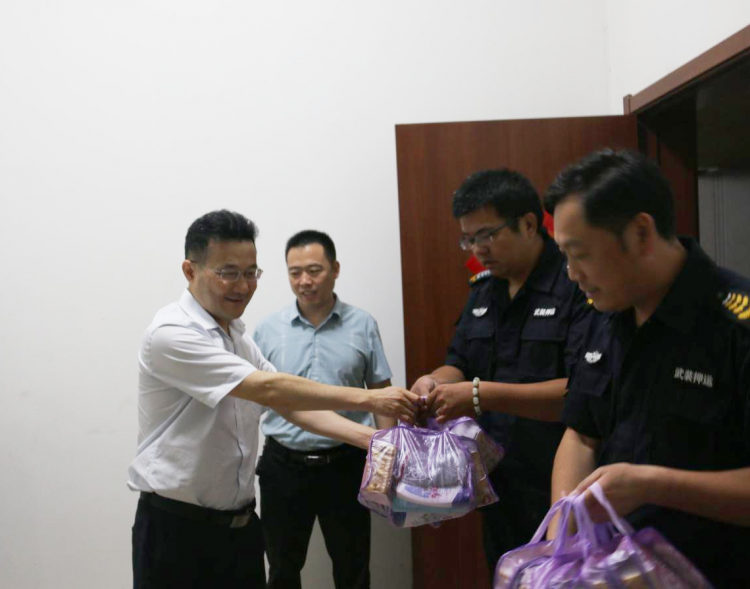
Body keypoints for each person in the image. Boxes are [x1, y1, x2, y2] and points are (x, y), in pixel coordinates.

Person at [127, 210, 417, 589]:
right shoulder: (172, 333)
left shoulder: (237, 337)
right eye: (228, 272)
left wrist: (376, 441)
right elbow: (270, 389)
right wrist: (372, 399)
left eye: (251, 273)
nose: (243, 286)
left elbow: (289, 404)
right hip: (179, 531)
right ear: (190, 270)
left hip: (240, 527)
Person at [545, 149, 750, 586]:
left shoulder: (736, 326)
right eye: (564, 255)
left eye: (580, 254)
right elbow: (581, 434)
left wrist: (652, 485)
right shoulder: (603, 314)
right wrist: (562, 536)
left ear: (641, 232)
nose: (571, 274)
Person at [413, 169, 591, 572]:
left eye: (487, 235)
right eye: (468, 239)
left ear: (528, 224)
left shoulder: (577, 284)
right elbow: (459, 362)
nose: (478, 249)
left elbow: (583, 391)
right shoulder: (483, 290)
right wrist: (434, 381)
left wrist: (479, 395)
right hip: (495, 482)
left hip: (561, 483)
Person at [253, 230, 394, 589]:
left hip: (346, 465)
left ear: (335, 269)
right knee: (281, 570)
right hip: (283, 466)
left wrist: (388, 457)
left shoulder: (363, 325)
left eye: (314, 270)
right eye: (295, 272)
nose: (305, 281)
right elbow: (255, 396)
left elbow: (380, 392)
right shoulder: (267, 330)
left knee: (353, 569)